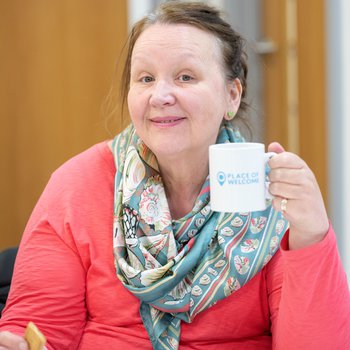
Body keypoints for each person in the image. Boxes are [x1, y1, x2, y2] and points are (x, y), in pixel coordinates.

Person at [0, 1, 349, 349]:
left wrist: (311, 235)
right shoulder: (78, 184)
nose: (160, 96)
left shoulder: (273, 193)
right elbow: (37, 331)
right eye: (146, 78)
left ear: (232, 95)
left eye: (185, 77)